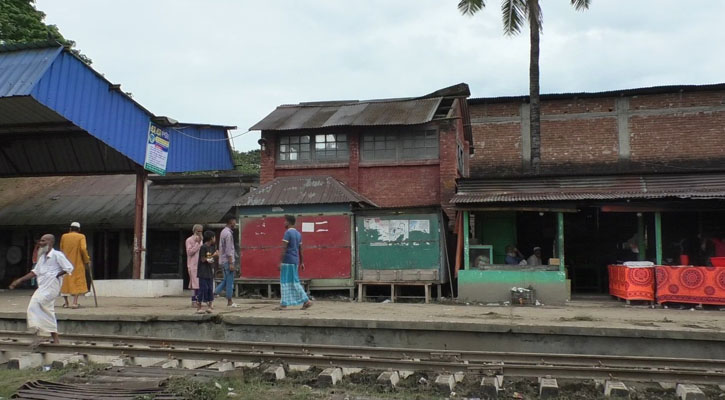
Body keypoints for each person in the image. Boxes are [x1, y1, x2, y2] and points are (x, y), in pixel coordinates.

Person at [9, 234, 73, 344]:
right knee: (48, 310)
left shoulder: (57, 255)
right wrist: (19, 280)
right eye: (40, 241)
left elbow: (69, 268)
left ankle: (38, 333)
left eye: (43, 241)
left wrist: (56, 275)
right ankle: (54, 338)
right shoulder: (42, 258)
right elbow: (34, 272)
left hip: (51, 287)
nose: (40, 243)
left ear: (51, 242)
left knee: (35, 305)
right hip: (42, 287)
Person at [277, 215, 312, 310]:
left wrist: (280, 261)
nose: (284, 223)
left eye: (285, 221)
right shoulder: (298, 234)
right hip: (295, 261)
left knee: (286, 282)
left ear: (288, 222)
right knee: (292, 281)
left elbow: (284, 248)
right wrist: (302, 262)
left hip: (287, 260)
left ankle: (305, 300)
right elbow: (301, 250)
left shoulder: (287, 233)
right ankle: (285, 303)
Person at [60, 222, 90, 309]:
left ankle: (66, 303)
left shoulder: (64, 236)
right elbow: (83, 249)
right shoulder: (81, 236)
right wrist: (86, 259)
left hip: (65, 262)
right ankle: (75, 303)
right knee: (77, 281)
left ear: (70, 229)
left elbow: (61, 248)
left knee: (65, 281)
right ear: (79, 230)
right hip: (77, 262)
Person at [214, 216, 239, 307]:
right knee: (229, 281)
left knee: (225, 280)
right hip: (228, 261)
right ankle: (229, 301)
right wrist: (231, 263)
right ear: (231, 221)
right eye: (234, 222)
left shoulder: (223, 232)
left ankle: (214, 293)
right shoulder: (228, 234)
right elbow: (229, 250)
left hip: (223, 260)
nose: (235, 224)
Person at [196, 230, 218, 314]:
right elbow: (203, 259)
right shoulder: (203, 247)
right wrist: (214, 255)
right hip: (203, 272)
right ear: (211, 238)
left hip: (209, 271)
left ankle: (210, 306)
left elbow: (210, 260)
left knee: (209, 288)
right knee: (203, 288)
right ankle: (199, 306)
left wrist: (214, 257)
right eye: (214, 237)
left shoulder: (210, 247)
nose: (215, 239)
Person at [185, 224, 203, 307]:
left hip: (200, 264)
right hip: (192, 264)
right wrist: (197, 244)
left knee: (199, 283)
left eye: (201, 231)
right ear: (194, 231)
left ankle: (199, 300)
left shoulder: (201, 240)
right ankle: (193, 301)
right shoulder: (189, 240)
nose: (199, 233)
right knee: (193, 284)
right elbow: (189, 252)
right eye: (198, 231)